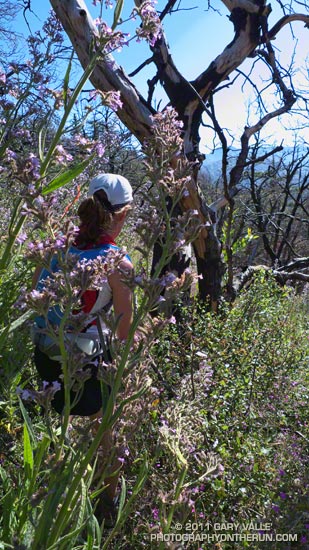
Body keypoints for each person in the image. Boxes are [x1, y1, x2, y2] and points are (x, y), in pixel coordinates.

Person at [32, 173, 134, 525]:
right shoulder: (118, 264)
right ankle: (108, 504)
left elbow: (36, 299)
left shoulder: (55, 247)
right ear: (122, 215)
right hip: (85, 370)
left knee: (58, 420)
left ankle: (52, 481)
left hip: (45, 361)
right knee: (107, 428)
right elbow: (125, 331)